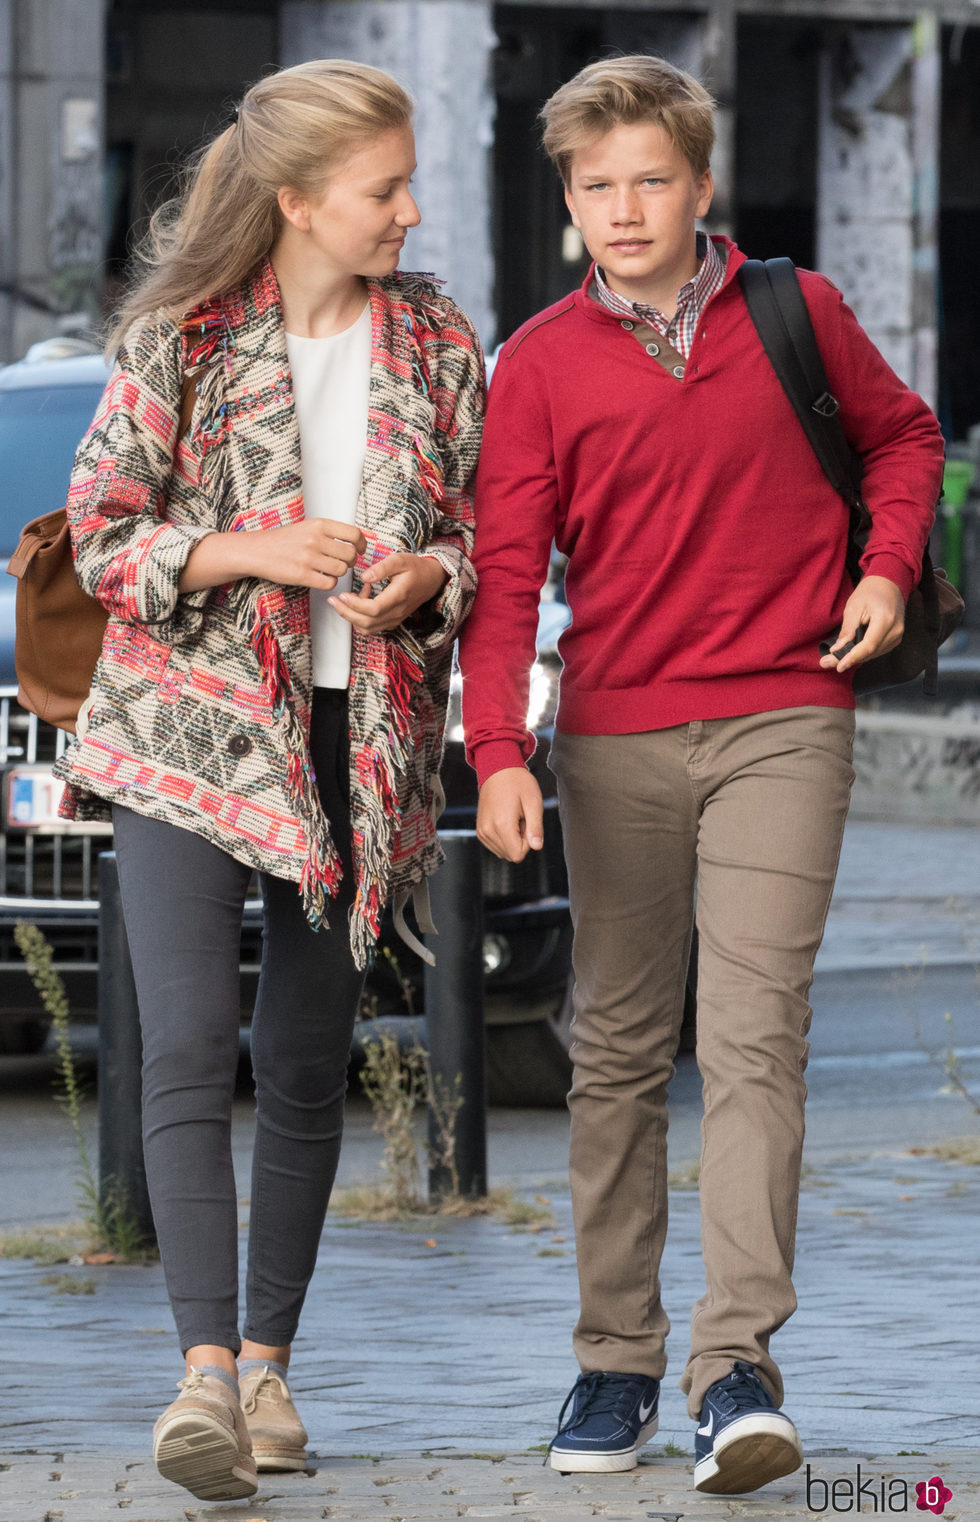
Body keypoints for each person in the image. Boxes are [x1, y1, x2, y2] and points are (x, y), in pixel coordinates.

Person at [459, 54, 943, 1497]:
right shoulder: (540, 362)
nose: (624, 207)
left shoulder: (799, 310)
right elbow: (503, 574)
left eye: (650, 179)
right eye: (595, 187)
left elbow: (905, 436)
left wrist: (889, 565)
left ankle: (736, 1366)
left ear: (702, 183)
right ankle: (613, 1362)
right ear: (566, 202)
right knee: (612, 1045)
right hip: (611, 736)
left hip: (789, 714)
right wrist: (495, 748)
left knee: (752, 1035)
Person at [55, 59, 483, 1503]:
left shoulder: (435, 340)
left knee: (304, 1057)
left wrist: (425, 574)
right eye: (385, 190)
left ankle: (270, 1364)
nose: (411, 212)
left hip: (359, 741)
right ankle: (201, 1380)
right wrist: (249, 549)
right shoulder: (181, 335)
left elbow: (479, 536)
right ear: (298, 198)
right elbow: (103, 537)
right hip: (187, 737)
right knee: (181, 1040)